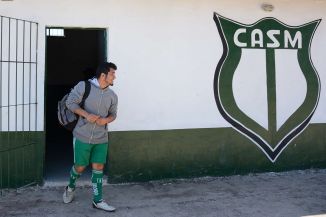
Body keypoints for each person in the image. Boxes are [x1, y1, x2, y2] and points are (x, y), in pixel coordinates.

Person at [62, 62, 118, 212]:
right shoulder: (84, 86)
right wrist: (87, 115)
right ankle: (70, 187)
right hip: (82, 135)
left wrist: (105, 120)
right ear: (103, 75)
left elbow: (113, 114)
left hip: (101, 138)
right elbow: (70, 103)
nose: (115, 77)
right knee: (79, 167)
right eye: (112, 73)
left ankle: (97, 200)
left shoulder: (112, 96)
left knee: (98, 167)